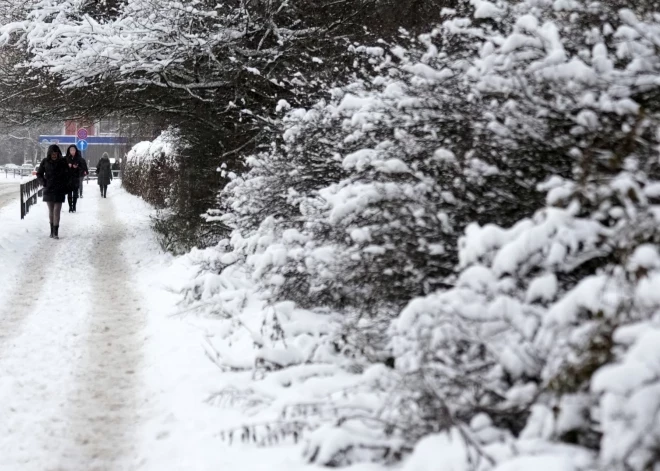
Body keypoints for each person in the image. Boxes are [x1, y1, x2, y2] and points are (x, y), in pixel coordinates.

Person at [36, 145, 69, 239]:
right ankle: (51, 231)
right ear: (49, 153)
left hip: (60, 189)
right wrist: (43, 182)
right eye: (52, 153)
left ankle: (56, 232)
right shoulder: (45, 161)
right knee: (51, 210)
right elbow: (39, 174)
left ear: (58, 153)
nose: (54, 155)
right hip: (49, 188)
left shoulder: (63, 162)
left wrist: (66, 185)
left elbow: (68, 174)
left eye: (55, 153)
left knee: (57, 210)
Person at [65, 145, 86, 213]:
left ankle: (74, 206)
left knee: (75, 194)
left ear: (76, 151)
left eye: (73, 150)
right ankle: (70, 207)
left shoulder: (79, 159)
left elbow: (83, 169)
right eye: (71, 150)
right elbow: (61, 168)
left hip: (76, 179)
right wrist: (68, 166)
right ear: (69, 151)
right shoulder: (66, 158)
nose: (72, 152)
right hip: (68, 179)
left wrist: (76, 167)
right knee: (69, 194)